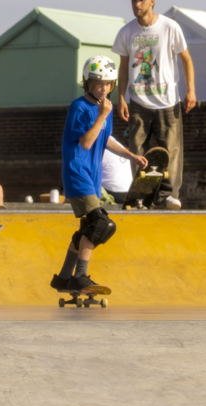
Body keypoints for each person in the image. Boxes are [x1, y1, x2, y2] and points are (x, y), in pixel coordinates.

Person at [50, 56, 147, 293]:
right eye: (98, 84)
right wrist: (102, 115)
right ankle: (80, 277)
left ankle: (63, 278)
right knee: (101, 224)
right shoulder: (80, 107)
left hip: (92, 178)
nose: (103, 89)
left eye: (108, 84)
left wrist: (131, 156)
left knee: (87, 229)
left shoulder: (105, 108)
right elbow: (86, 142)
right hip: (77, 173)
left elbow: (105, 139)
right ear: (88, 83)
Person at [112, 0, 196, 210]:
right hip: (138, 102)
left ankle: (168, 195)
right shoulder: (126, 31)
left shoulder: (169, 27)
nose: (136, 4)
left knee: (172, 151)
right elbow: (123, 67)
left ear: (152, 1)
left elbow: (186, 59)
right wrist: (121, 98)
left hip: (168, 102)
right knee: (137, 150)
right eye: (133, 0)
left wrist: (191, 90)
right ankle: (141, 194)